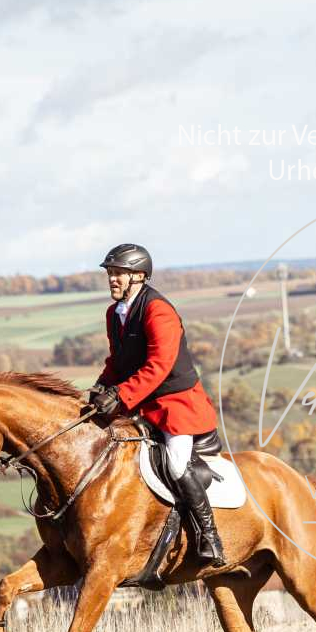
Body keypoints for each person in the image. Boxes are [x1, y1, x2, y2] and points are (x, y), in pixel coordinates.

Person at [87, 243, 226, 568]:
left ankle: (210, 537)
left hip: (177, 405)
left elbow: (159, 366)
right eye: (110, 273)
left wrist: (120, 395)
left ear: (139, 276)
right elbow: (118, 362)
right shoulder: (114, 314)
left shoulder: (158, 310)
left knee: (176, 464)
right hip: (142, 403)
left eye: (118, 273)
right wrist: (100, 388)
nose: (112, 279)